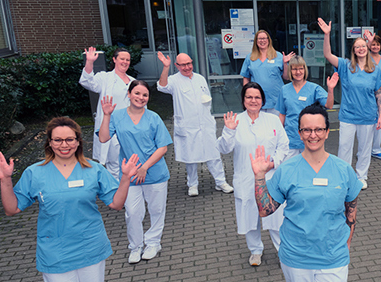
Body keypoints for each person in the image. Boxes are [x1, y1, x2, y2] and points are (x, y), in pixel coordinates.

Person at [0, 117, 140, 282]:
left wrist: (125, 179)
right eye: (57, 140)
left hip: (90, 243)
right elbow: (12, 209)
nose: (64, 144)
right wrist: (5, 180)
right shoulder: (35, 173)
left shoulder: (93, 169)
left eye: (69, 139)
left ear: (78, 141)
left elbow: (116, 203)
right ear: (49, 143)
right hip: (54, 248)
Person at [251, 103, 361, 282]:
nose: (313, 134)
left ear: (327, 131)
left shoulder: (342, 169)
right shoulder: (288, 170)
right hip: (296, 256)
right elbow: (266, 209)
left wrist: (349, 235)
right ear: (300, 133)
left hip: (333, 255)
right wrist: (259, 176)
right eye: (307, 129)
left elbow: (352, 203)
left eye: (319, 129)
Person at [99, 80, 173, 264]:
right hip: (129, 175)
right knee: (132, 212)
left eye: (145, 95)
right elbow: (103, 138)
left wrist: (144, 167)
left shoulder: (154, 118)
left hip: (154, 173)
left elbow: (162, 147)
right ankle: (135, 246)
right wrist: (106, 115)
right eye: (137, 93)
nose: (141, 98)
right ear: (129, 94)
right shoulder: (117, 116)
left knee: (156, 210)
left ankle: (154, 242)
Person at [216, 82, 289, 266]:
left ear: (262, 100)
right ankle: (255, 251)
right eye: (249, 97)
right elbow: (224, 149)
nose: (253, 100)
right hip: (245, 179)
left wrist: (273, 163)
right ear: (243, 100)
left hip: (270, 177)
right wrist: (229, 131)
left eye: (257, 97)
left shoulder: (272, 120)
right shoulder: (235, 121)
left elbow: (284, 146)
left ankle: (283, 250)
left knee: (276, 217)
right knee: (250, 218)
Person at [318, 17, 381, 190]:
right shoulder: (345, 65)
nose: (361, 49)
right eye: (358, 47)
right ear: (353, 50)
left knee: (364, 149)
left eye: (364, 45)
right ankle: (344, 176)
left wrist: (380, 116)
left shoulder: (375, 70)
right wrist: (327, 35)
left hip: (368, 116)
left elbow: (378, 93)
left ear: (368, 48)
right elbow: (327, 55)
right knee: (344, 148)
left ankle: (361, 177)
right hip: (348, 115)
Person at [157, 52, 234, 197]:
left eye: (189, 63)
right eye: (183, 65)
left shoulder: (200, 78)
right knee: (190, 156)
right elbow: (162, 86)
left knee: (213, 153)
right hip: (187, 125)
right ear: (176, 66)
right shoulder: (173, 80)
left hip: (205, 123)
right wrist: (165, 67)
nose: (187, 67)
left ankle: (221, 182)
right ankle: (192, 185)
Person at [79, 46, 134, 180]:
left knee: (130, 160)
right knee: (113, 164)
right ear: (114, 60)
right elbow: (87, 82)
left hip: (130, 127)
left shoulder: (133, 81)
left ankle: (130, 191)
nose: (125, 62)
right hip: (110, 126)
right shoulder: (105, 78)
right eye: (122, 59)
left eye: (128, 60)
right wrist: (89, 62)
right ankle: (115, 195)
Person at [278, 55, 338, 158]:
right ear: (290, 71)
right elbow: (282, 115)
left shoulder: (314, 88)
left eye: (301, 68)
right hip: (290, 139)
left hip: (310, 138)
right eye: (295, 69)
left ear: (305, 70)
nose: (298, 72)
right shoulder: (284, 90)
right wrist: (279, 134)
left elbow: (329, 105)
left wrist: (331, 90)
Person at [239, 29, 295, 115]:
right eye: (259, 39)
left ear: (269, 40)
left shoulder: (278, 56)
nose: (262, 41)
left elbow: (286, 77)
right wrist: (246, 94)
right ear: (256, 41)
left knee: (275, 126)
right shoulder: (250, 57)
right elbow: (246, 77)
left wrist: (285, 63)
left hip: (276, 99)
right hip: (256, 100)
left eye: (264, 38)